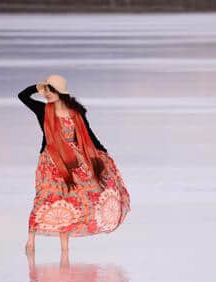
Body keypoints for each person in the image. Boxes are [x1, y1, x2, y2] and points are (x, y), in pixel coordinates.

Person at [18, 74, 131, 255]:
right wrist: (38, 87)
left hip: (73, 162)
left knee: (69, 201)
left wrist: (104, 154)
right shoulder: (42, 110)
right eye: (46, 91)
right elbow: (22, 96)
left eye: (50, 90)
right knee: (44, 198)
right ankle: (30, 240)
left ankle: (65, 248)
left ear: (60, 93)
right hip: (51, 161)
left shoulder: (77, 114)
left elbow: (89, 136)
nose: (46, 94)